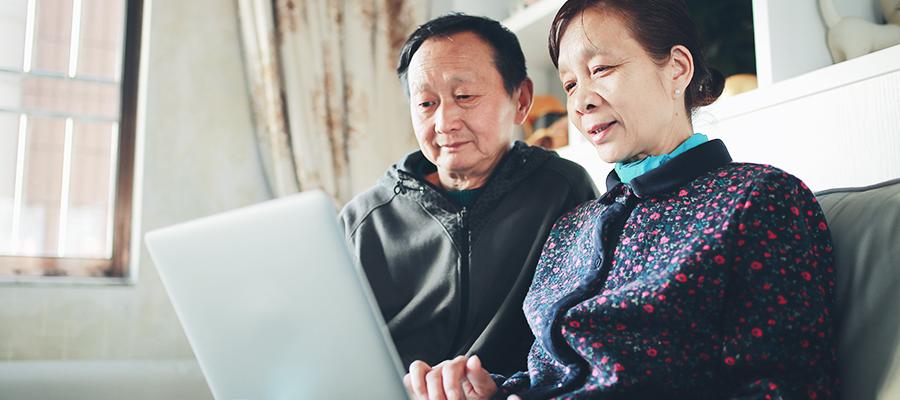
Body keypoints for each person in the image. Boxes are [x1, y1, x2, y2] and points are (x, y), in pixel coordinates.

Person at [403, 1, 839, 399]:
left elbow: (784, 387)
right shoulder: (572, 226)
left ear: (677, 69)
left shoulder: (758, 199)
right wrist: (491, 391)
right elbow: (551, 374)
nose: (582, 101)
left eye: (602, 69)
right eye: (570, 84)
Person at [339, 14, 598, 376]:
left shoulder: (560, 189)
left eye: (465, 96)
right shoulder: (363, 221)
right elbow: (337, 353)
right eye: (426, 104)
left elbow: (584, 333)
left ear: (521, 99)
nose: (445, 122)